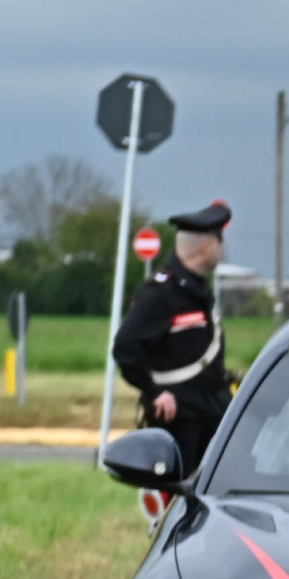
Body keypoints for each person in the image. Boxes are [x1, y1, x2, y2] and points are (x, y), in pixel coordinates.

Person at [112, 201, 234, 471]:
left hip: (210, 413)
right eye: (219, 240)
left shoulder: (198, 291)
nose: (221, 249)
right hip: (180, 421)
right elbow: (125, 349)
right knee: (176, 504)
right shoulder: (160, 294)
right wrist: (154, 393)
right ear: (205, 246)